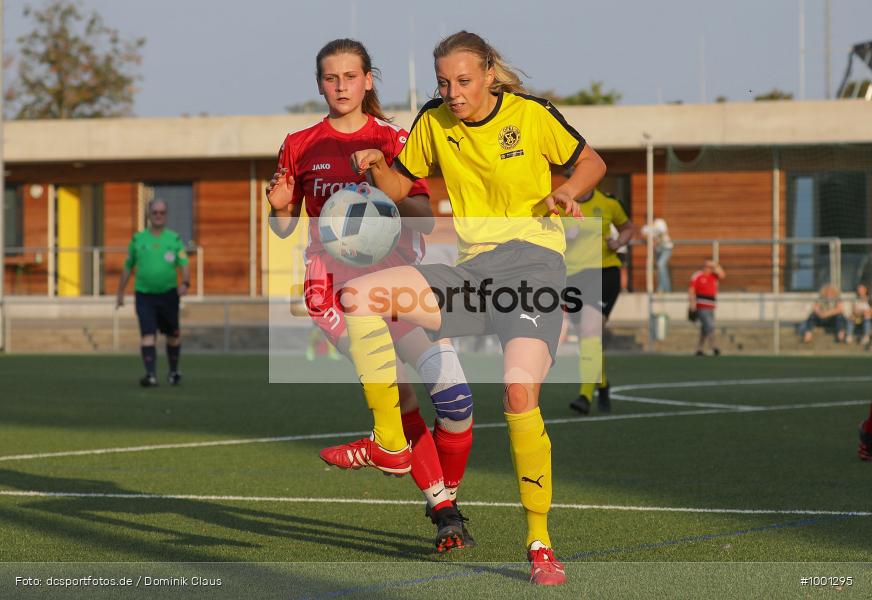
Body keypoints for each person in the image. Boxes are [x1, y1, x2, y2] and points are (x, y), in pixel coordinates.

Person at [320, 31, 607, 585]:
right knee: (360, 294)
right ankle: (389, 443)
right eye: (444, 82)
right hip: (472, 273)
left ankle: (540, 542)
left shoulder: (531, 114)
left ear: (489, 75)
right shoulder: (434, 121)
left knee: (519, 394)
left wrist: (570, 190)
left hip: (532, 271)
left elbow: (591, 161)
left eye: (464, 81)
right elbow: (405, 185)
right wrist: (379, 166)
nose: (453, 92)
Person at [265, 39, 475, 552]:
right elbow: (285, 228)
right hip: (332, 290)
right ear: (320, 83)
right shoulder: (299, 144)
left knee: (456, 398)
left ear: (368, 80)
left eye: (350, 77)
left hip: (396, 278)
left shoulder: (394, 138)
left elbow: (425, 216)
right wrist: (277, 207)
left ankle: (440, 490)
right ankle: (444, 510)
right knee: (400, 391)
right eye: (330, 79)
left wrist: (383, 181)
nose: (340, 87)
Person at [564, 187, 634, 415]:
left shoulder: (609, 203)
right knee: (587, 338)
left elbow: (627, 228)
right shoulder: (559, 205)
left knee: (589, 330)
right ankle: (602, 384)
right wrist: (563, 236)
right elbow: (543, 235)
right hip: (572, 277)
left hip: (604, 272)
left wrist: (619, 242)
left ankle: (585, 395)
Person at [116, 199, 189, 387]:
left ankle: (173, 372)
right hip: (144, 296)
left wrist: (186, 283)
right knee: (148, 335)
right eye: (155, 212)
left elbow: (184, 263)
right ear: (149, 214)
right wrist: (120, 292)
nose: (158, 215)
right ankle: (151, 376)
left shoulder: (173, 239)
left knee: (173, 335)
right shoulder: (138, 239)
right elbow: (127, 266)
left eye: (162, 212)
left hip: (169, 295)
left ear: (166, 215)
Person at [688, 260, 726, 356]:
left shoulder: (713, 276)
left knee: (705, 329)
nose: (710, 269)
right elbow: (691, 290)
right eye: (708, 267)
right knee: (710, 326)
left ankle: (699, 349)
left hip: (711, 306)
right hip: (701, 306)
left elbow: (722, 275)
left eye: (711, 267)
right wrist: (692, 304)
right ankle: (713, 346)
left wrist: (716, 265)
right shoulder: (697, 275)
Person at [641, 217, 673, 292]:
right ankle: (661, 288)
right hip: (657, 250)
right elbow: (643, 236)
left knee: (660, 265)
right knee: (660, 269)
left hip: (666, 248)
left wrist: (655, 239)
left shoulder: (660, 222)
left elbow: (664, 233)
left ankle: (666, 289)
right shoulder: (646, 228)